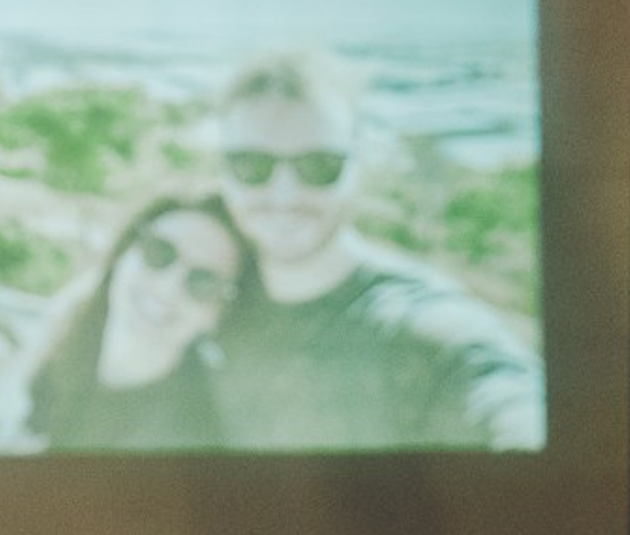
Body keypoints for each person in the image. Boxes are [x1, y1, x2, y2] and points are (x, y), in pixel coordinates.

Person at [206, 54, 544, 452]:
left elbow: (499, 394)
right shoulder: (201, 297)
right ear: (223, 169)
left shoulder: (420, 331)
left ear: (357, 165)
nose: (285, 193)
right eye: (251, 165)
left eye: (319, 165)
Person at [18, 196, 247, 451]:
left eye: (203, 282)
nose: (168, 286)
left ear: (216, 317)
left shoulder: (189, 441)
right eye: (159, 252)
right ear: (122, 255)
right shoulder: (51, 350)